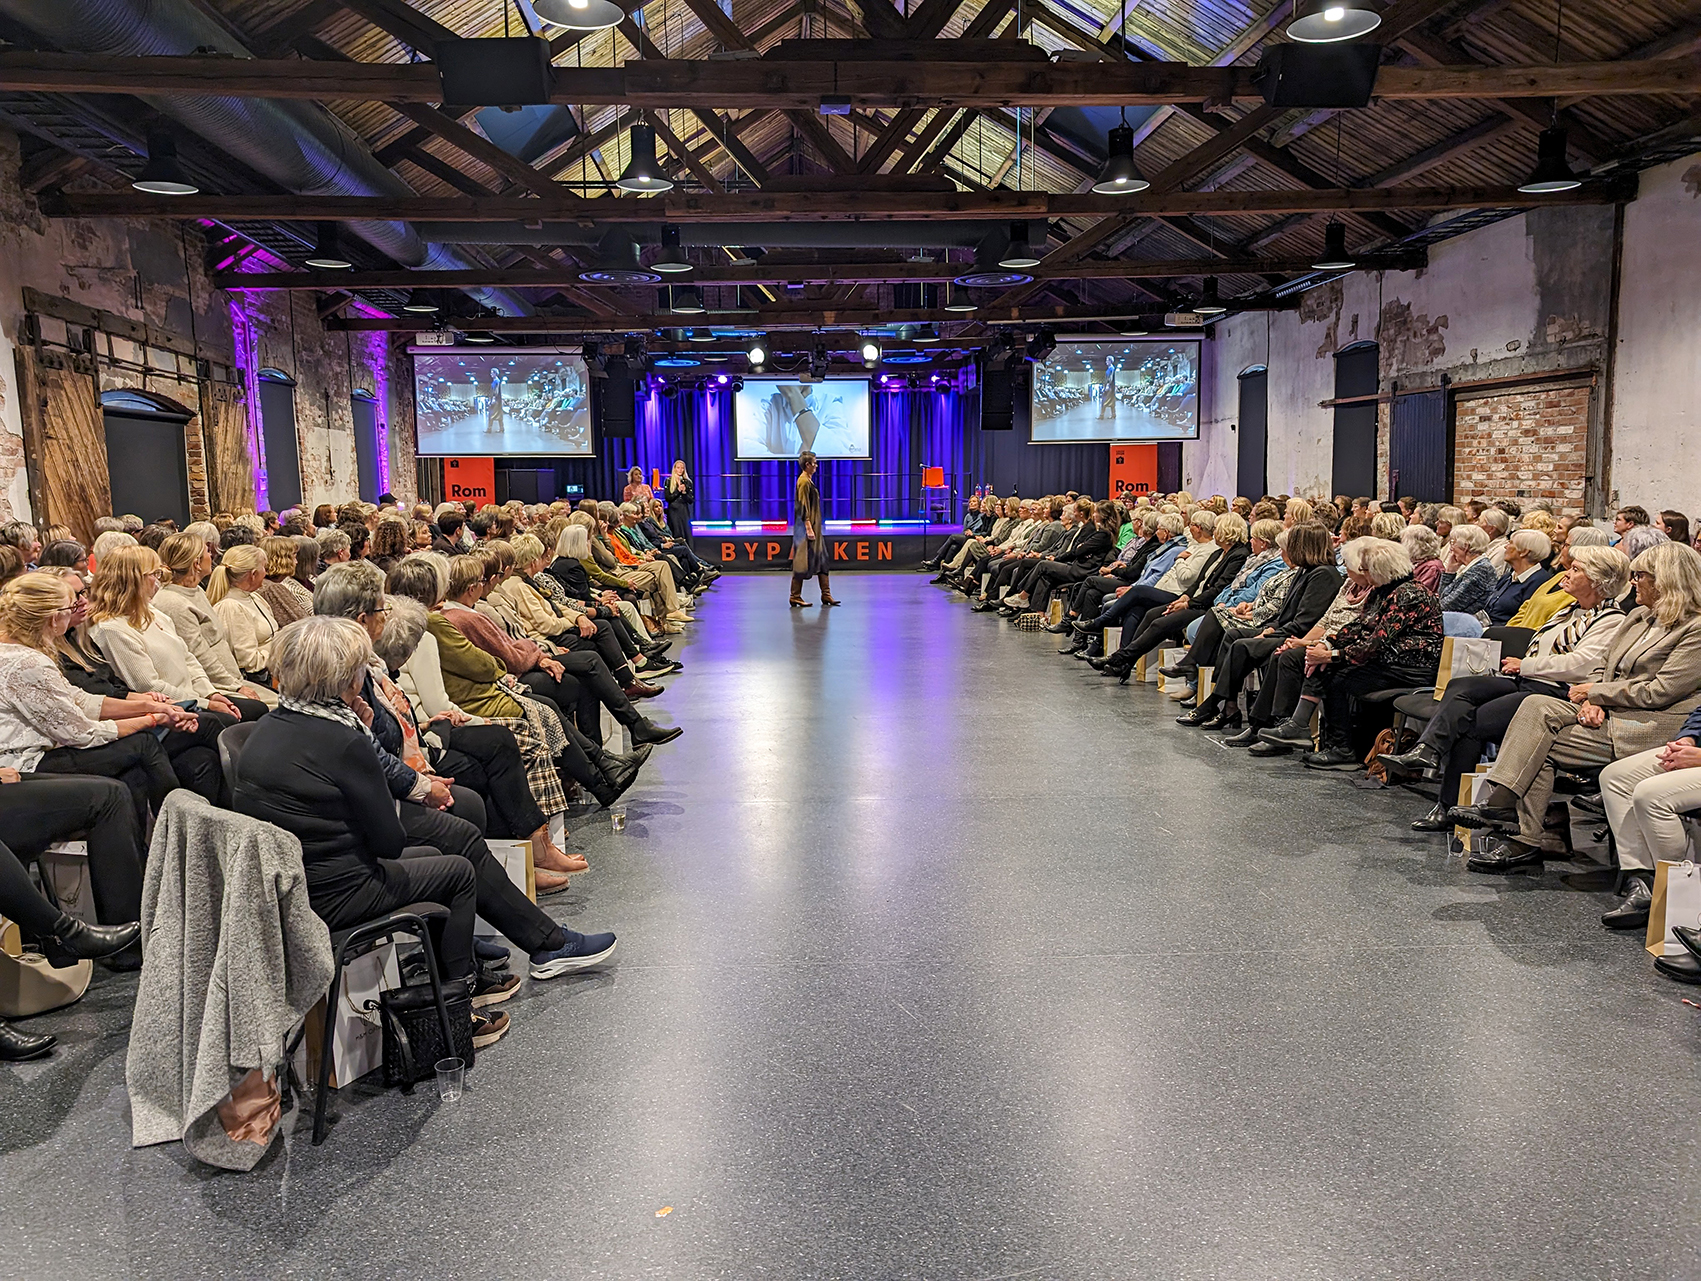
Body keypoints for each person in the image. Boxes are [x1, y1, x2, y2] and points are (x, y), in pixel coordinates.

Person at [232, 617, 615, 1050]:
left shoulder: (272, 725)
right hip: (335, 890)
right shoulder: (341, 739)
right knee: (454, 870)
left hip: (294, 882)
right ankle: (453, 1011)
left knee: (451, 845)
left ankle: (516, 955)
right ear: (346, 677)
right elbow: (390, 842)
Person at [1449, 541, 1701, 873]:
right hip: (1612, 711)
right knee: (1536, 705)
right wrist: (1596, 695)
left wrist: (1599, 694)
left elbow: (1661, 691)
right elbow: (1602, 664)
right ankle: (1506, 808)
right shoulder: (1639, 616)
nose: (1634, 582)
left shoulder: (1694, 629)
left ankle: (1522, 836)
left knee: (1540, 744)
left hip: (1648, 726)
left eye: (1640, 575)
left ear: (1665, 580)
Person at [1381, 544, 1631, 830]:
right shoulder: (1569, 611)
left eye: (1576, 570)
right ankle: (1427, 750)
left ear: (1597, 581)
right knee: (1462, 686)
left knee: (1471, 724)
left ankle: (1447, 805)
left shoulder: (1610, 620)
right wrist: (1526, 667)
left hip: (1558, 692)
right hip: (1530, 681)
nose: (1567, 573)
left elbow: (1581, 664)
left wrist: (1525, 665)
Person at [0, 572, 186, 825]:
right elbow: (80, 733)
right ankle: (179, 834)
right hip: (23, 763)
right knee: (142, 745)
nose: (81, 606)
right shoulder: (28, 661)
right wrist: (152, 718)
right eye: (71, 606)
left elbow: (78, 699)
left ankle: (151, 853)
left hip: (37, 753)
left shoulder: (21, 651)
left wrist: (148, 706)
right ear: (54, 618)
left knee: (135, 771)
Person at [152, 532, 276, 713]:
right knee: (273, 708)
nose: (212, 556)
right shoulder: (174, 602)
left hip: (230, 679)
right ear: (196, 563)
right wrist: (235, 687)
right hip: (213, 686)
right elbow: (198, 654)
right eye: (208, 552)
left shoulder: (196, 591)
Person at [206, 544, 278, 686]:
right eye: (264, 567)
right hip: (261, 681)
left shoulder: (254, 597)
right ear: (253, 574)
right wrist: (282, 649)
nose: (266, 572)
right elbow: (249, 663)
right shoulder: (230, 607)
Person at [790, 450, 836, 607]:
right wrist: (808, 527)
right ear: (807, 464)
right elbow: (803, 506)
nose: (816, 465)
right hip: (805, 530)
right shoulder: (803, 482)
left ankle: (826, 595)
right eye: (814, 463)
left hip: (814, 528)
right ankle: (795, 596)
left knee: (823, 560)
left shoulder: (808, 481)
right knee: (802, 562)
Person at [664, 459, 694, 544]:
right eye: (678, 468)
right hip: (673, 510)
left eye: (682, 468)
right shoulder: (668, 481)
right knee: (676, 530)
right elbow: (668, 498)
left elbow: (690, 500)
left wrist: (684, 492)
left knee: (686, 530)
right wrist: (678, 490)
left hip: (683, 509)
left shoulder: (688, 482)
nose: (680, 470)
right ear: (674, 469)